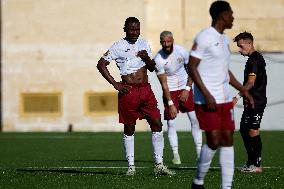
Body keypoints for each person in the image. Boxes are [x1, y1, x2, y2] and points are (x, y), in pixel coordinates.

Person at [97, 17, 175, 176]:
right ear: (125, 29)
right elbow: (101, 64)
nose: (134, 33)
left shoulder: (144, 43)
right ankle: (131, 166)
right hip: (129, 91)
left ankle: (159, 165)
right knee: (130, 126)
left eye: (137, 29)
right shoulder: (118, 46)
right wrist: (115, 84)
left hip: (146, 90)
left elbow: (152, 68)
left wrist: (146, 58)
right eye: (131, 29)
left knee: (157, 123)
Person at [188, 1, 254, 189]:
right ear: (222, 15)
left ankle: (226, 186)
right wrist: (207, 94)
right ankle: (198, 181)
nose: (233, 17)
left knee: (227, 139)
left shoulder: (225, 39)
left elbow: (225, 71)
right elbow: (191, 67)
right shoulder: (204, 37)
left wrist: (243, 91)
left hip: (225, 99)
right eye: (231, 13)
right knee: (214, 141)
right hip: (207, 100)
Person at [154, 31, 202, 165]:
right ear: (160, 42)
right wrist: (170, 103)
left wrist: (187, 89)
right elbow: (163, 84)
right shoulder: (158, 59)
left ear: (172, 40)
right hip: (170, 91)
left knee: (194, 119)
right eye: (163, 42)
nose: (166, 44)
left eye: (168, 41)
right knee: (171, 123)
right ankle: (176, 155)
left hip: (184, 87)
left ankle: (199, 153)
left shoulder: (182, 51)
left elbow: (192, 70)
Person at [233, 32, 267, 173]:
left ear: (249, 43)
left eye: (241, 46)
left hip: (256, 101)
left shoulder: (254, 59)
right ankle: (250, 162)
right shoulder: (253, 59)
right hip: (251, 101)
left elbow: (251, 83)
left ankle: (257, 165)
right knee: (244, 129)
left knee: (253, 130)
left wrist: (237, 96)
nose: (240, 50)